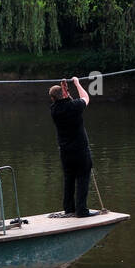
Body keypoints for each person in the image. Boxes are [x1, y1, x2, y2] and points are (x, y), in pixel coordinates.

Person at [48, 77, 99, 218]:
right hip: (80, 151)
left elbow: (64, 101)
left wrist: (64, 90)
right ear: (64, 95)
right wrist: (76, 83)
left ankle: (69, 209)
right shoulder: (75, 106)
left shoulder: (54, 110)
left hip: (65, 153)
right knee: (83, 178)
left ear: (52, 98)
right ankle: (82, 210)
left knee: (69, 179)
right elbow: (85, 97)